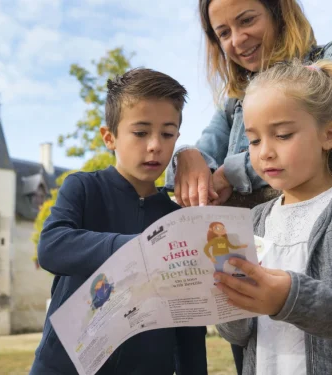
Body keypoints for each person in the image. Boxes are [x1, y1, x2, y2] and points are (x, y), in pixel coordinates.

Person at [29, 68, 208, 375]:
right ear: (109, 137)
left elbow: (188, 323)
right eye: (140, 133)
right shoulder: (82, 187)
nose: (154, 145)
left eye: (167, 134)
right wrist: (139, 248)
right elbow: (51, 247)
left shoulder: (179, 218)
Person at [214, 58, 332, 375]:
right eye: (253, 140)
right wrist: (229, 299)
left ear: (328, 135)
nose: (264, 151)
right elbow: (236, 335)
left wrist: (288, 298)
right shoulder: (252, 221)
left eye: (281, 135)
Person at [165, 0, 332, 208]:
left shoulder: (326, 62)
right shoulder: (235, 102)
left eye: (246, 20)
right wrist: (186, 156)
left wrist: (230, 173)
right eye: (224, 33)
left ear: (278, 13)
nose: (237, 40)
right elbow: (205, 152)